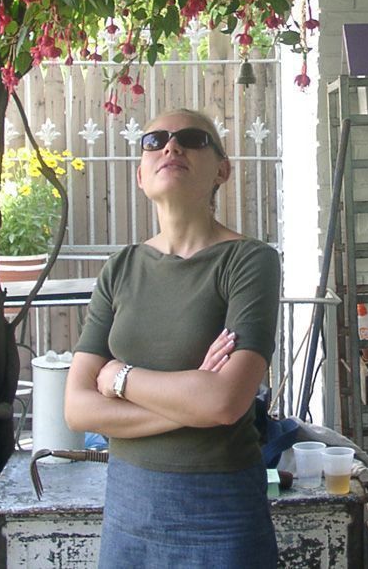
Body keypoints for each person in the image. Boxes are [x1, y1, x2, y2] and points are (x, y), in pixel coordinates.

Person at [64, 108, 281, 568]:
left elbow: (224, 402)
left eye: (192, 138)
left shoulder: (250, 261)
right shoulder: (119, 269)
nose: (171, 146)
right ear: (140, 175)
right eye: (154, 140)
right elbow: (78, 408)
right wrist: (191, 398)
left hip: (220, 512)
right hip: (127, 509)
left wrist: (118, 377)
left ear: (222, 169)